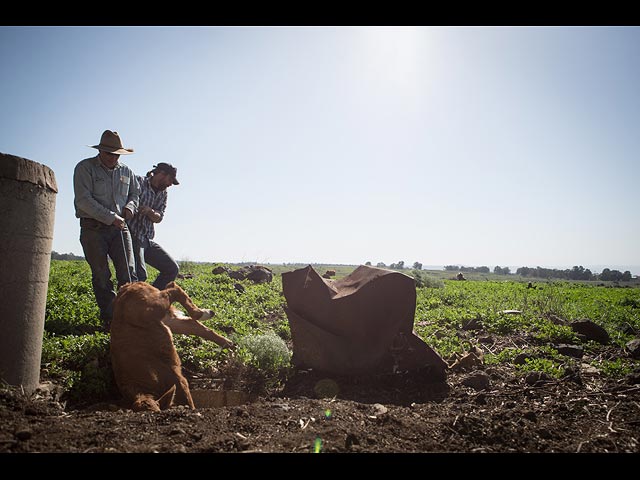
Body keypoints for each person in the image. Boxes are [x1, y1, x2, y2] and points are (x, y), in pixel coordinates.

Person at [73, 130, 139, 325]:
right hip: (93, 229)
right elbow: (84, 201)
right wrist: (112, 218)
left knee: (128, 273)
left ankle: (130, 316)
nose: (113, 158)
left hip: (120, 228)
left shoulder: (127, 171)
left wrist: (129, 208)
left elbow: (135, 194)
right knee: (101, 274)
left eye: (117, 154)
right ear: (100, 151)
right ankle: (110, 318)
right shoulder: (85, 168)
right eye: (109, 153)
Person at [127, 162, 180, 290]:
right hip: (131, 235)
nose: (170, 184)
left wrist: (150, 211)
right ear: (161, 174)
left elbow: (159, 217)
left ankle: (152, 299)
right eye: (170, 180)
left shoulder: (163, 193)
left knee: (172, 268)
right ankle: (135, 304)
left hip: (147, 239)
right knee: (139, 275)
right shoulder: (138, 182)